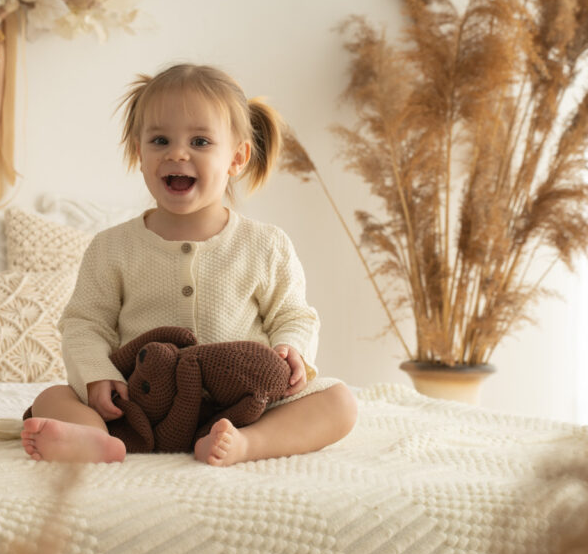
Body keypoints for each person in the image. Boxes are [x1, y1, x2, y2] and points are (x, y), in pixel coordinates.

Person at [21, 63, 357, 465]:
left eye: (200, 141)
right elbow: (84, 323)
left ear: (237, 158)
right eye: (160, 140)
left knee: (340, 401)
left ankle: (248, 445)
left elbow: (293, 314)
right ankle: (95, 440)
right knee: (51, 397)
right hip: (139, 405)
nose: (177, 153)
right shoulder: (112, 247)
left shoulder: (265, 245)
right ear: (138, 152)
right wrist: (97, 374)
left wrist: (291, 349)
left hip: (239, 407)